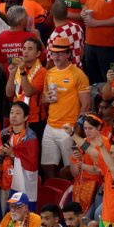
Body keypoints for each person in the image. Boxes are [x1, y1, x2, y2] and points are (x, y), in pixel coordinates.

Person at [42, 37, 91, 180]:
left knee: (70, 168)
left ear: (69, 54)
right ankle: (54, 193)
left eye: (60, 53)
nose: (56, 56)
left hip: (68, 128)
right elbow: (44, 99)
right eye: (54, 53)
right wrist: (47, 99)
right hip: (50, 125)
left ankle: (68, 198)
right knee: (47, 166)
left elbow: (86, 105)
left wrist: (77, 129)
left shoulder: (78, 74)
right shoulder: (49, 73)